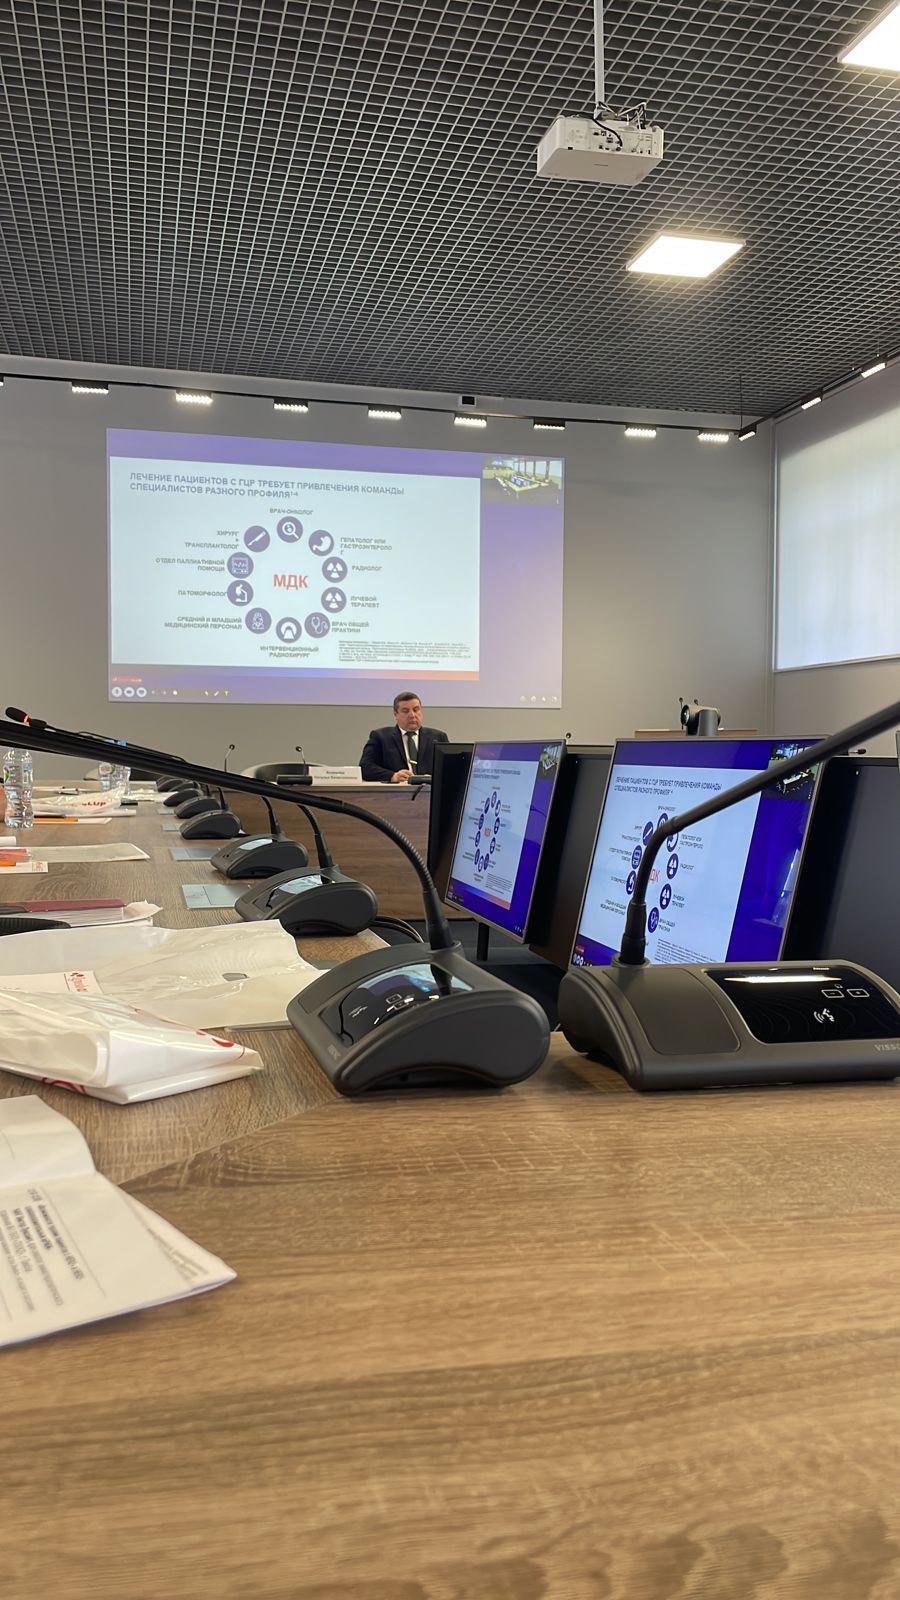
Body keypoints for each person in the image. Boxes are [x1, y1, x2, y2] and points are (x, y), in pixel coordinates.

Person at [360, 692, 449, 783]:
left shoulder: (438, 737)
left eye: (416, 710)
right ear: (396, 714)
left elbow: (451, 768)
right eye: (405, 711)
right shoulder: (381, 737)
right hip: (396, 790)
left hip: (429, 790)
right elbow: (365, 767)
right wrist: (392, 776)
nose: (412, 715)